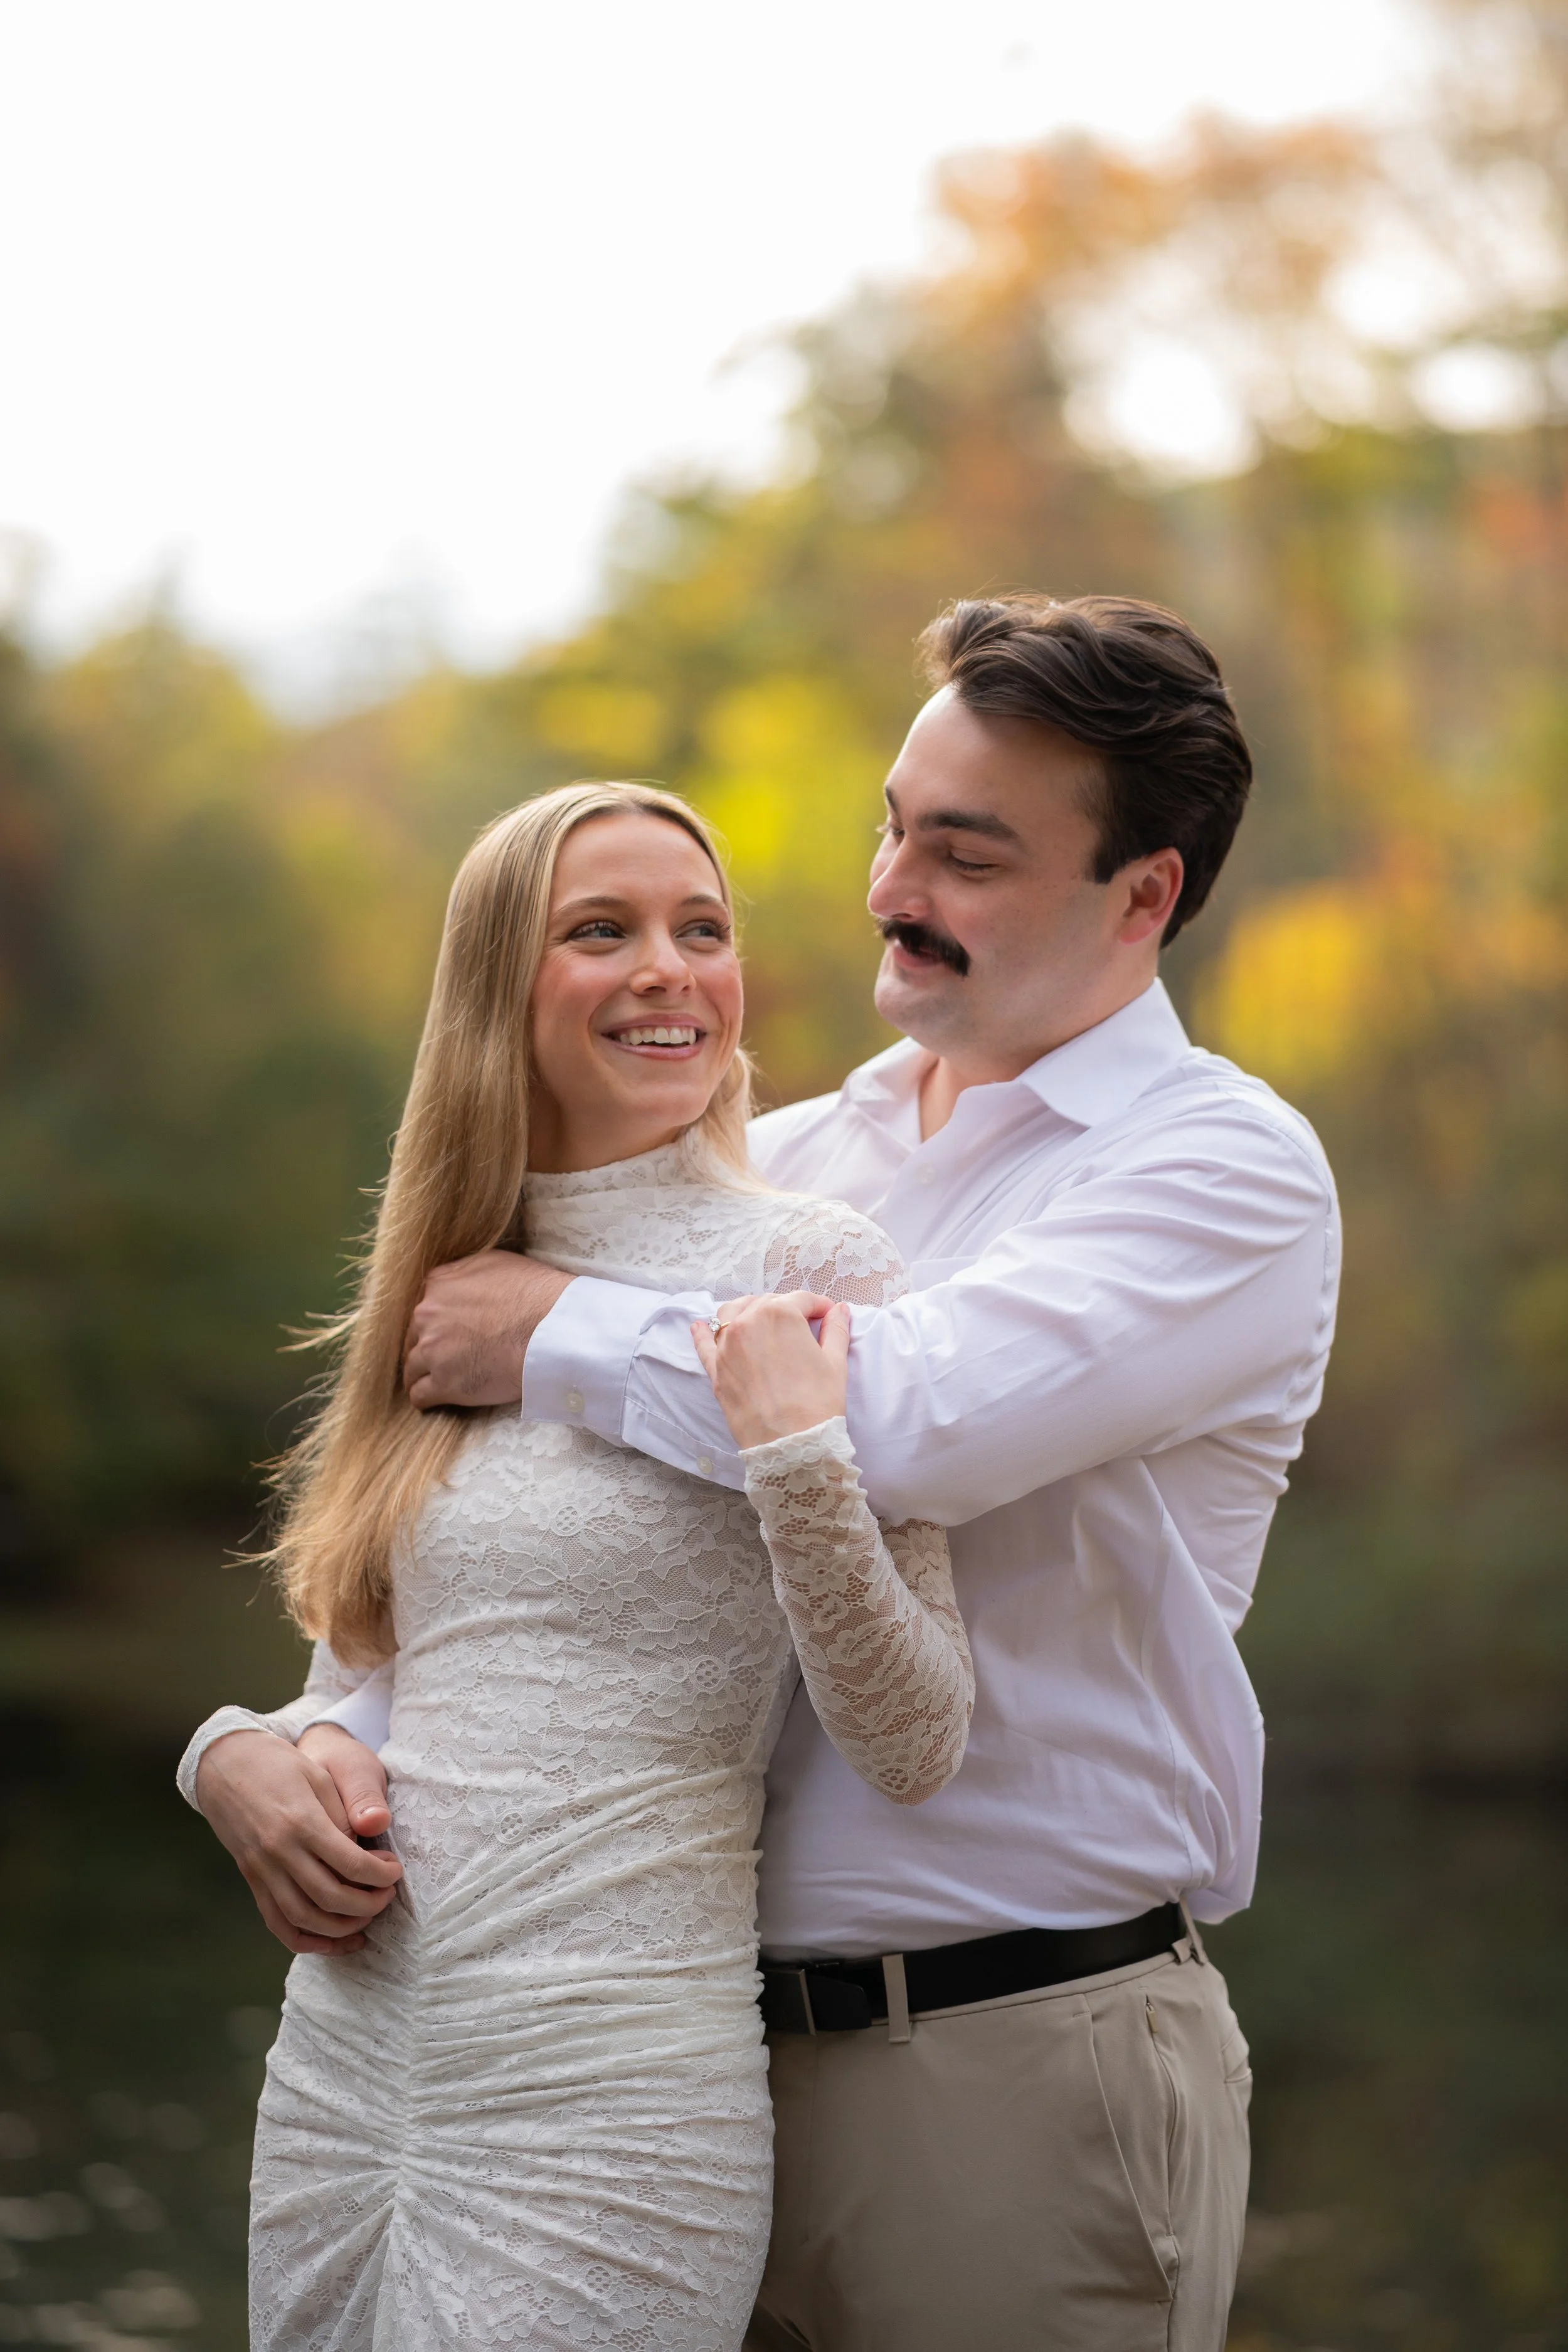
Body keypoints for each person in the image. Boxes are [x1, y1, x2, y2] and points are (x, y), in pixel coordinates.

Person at [209, 592, 1341, 2352]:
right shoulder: (796, 1156)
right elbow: (512, 1576)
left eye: (964, 853)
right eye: (896, 825)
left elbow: (899, 1419)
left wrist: (561, 1326)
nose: (894, 885)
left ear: (1141, 897)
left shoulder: (1220, 1167)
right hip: (661, 2058)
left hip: (1003, 2060)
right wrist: (275, 1743)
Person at [179, 780, 973, 2351]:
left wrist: (795, 1456)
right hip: (350, 2062)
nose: (668, 970)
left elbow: (915, 1736)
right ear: (496, 990)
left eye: (702, 931)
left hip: (606, 2092)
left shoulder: (804, 1268)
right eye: (599, 933)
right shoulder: (447, 1283)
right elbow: (384, 1675)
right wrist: (237, 1757)